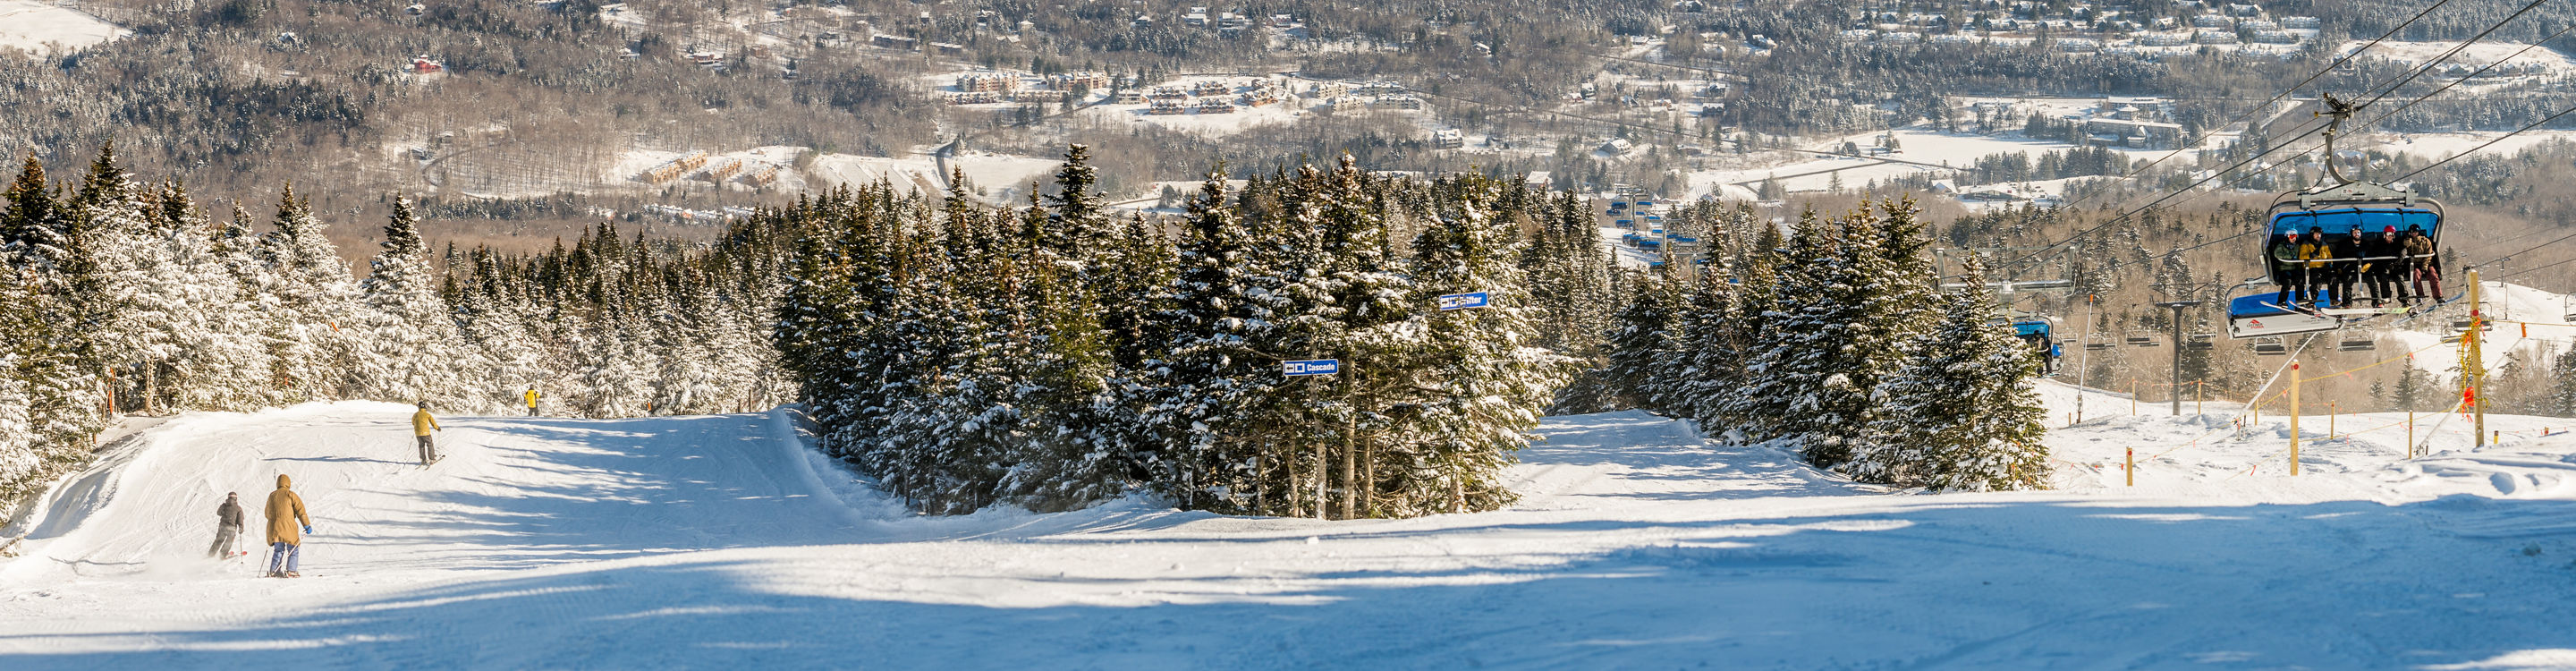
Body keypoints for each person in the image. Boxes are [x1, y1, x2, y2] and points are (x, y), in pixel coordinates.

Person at [265, 475, 310, 578]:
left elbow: (267, 513)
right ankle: (291, 570)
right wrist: (306, 525)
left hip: (275, 528)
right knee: (293, 548)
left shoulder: (272, 495)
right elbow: (301, 511)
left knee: (278, 550)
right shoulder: (291, 494)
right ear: (288, 483)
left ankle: (274, 571)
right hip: (289, 527)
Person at [2364, 225, 2410, 308]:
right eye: (2388, 234)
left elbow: (2403, 251)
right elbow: (2374, 253)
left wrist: (2397, 262)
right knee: (2384, 277)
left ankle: (2404, 299)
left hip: (2395, 266)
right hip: (2383, 266)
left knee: (2400, 279)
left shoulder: (2397, 243)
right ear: (2384, 235)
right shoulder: (2379, 243)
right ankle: (2386, 297)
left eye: (2392, 234)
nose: (2390, 236)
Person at [2403, 225, 2443, 302]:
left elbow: (2429, 255)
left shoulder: (2425, 241)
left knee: (2433, 275)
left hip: (2427, 263)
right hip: (2414, 264)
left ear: (2418, 232)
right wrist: (2408, 238)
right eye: (2411, 232)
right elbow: (2406, 246)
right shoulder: (2408, 241)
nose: (2413, 234)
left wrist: (2425, 266)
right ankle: (2420, 295)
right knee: (2416, 275)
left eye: (2415, 232)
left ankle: (2438, 296)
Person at [2269, 232, 2308, 308]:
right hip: (2283, 269)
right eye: (2291, 236)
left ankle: (2300, 301)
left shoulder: (2297, 246)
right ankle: (2281, 301)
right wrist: (2290, 257)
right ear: (2287, 236)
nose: (2293, 238)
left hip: (2294, 268)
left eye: (2295, 236)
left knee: (2300, 280)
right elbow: (2277, 254)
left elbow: (2301, 256)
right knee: (2287, 281)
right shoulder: (2281, 245)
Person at [2331, 228, 2367, 309]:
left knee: (2372, 279)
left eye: (2358, 232)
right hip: (2350, 267)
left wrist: (2369, 264)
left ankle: (2378, 301)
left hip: (2363, 267)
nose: (2357, 234)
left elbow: (2371, 255)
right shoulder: (2345, 244)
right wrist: (2339, 267)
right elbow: (2338, 256)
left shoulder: (2365, 244)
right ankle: (2347, 303)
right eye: (2355, 233)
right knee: (2347, 280)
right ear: (2351, 234)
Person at [2300, 226, 2332, 309]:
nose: (2318, 236)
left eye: (2319, 234)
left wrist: (2329, 264)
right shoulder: (2306, 244)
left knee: (2333, 277)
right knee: (2317, 280)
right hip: (2311, 268)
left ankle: (2334, 299)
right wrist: (2310, 256)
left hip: (2322, 268)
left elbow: (2329, 257)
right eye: (2316, 234)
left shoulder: (2324, 245)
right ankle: (2310, 301)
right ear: (2312, 235)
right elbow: (2301, 257)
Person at [208, 492, 244, 559]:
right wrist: (241, 528)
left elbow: (218, 513)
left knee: (219, 540)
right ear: (236, 498)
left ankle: (211, 555)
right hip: (231, 527)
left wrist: (224, 512)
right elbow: (240, 520)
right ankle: (222, 555)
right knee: (229, 542)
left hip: (222, 527)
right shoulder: (238, 508)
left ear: (228, 498)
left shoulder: (224, 505)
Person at [412, 402, 442, 466]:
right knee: (430, 444)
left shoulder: (415, 414)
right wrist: (437, 428)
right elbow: (433, 423)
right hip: (426, 433)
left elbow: (413, 422)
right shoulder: (427, 414)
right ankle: (432, 459)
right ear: (425, 407)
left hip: (418, 433)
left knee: (421, 445)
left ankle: (423, 460)